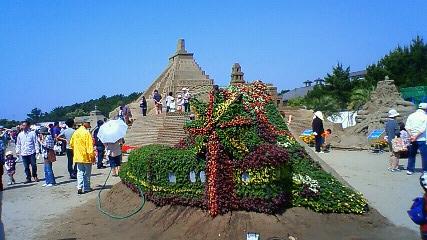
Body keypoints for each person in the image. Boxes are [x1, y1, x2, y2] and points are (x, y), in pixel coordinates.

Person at [70, 120, 96, 194]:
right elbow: (89, 146)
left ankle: (79, 187)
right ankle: (87, 187)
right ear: (85, 124)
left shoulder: (76, 132)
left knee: (80, 172)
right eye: (89, 123)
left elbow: (71, 144)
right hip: (86, 156)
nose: (89, 125)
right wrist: (92, 156)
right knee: (87, 173)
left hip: (78, 156)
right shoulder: (86, 133)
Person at [405, 103, 427, 175]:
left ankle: (410, 169)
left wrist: (411, 135)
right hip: (422, 139)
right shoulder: (425, 116)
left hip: (412, 138)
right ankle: (425, 170)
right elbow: (423, 129)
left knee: (411, 154)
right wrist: (416, 136)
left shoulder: (411, 116)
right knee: (424, 155)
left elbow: (407, 127)